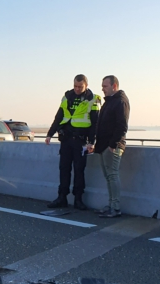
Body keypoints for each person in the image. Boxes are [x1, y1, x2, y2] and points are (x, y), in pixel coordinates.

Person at [45, 74, 101, 210]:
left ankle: (78, 199)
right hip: (66, 139)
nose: (77, 89)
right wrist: (49, 134)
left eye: (80, 87)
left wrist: (91, 142)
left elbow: (95, 123)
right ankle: (62, 198)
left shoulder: (93, 99)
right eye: (75, 86)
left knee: (79, 170)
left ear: (86, 85)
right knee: (64, 169)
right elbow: (59, 116)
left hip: (81, 141)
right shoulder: (67, 97)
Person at [94, 75, 130, 218]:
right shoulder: (109, 102)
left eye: (105, 86)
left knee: (112, 175)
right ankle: (111, 205)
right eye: (102, 86)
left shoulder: (120, 102)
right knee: (108, 176)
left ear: (114, 86)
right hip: (104, 146)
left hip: (112, 146)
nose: (102, 89)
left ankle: (115, 207)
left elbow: (122, 126)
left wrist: (113, 144)